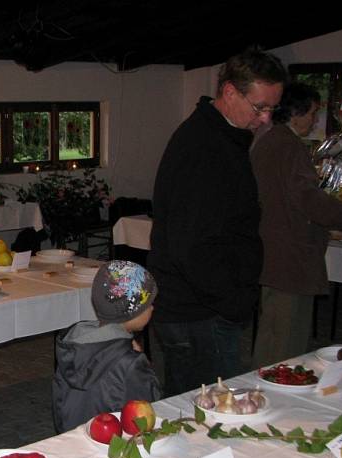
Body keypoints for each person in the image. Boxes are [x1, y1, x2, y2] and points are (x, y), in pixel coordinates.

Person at [148, 47, 287, 397]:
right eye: (260, 107)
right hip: (199, 313)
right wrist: (232, 300)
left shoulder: (222, 137)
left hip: (201, 308)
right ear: (229, 92)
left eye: (273, 108)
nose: (266, 118)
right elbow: (190, 246)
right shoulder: (203, 148)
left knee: (194, 410)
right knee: (209, 417)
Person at [251, 83, 342, 368]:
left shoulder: (270, 141)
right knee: (285, 342)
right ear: (295, 111)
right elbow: (308, 200)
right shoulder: (287, 145)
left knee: (273, 335)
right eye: (313, 113)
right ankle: (275, 397)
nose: (315, 120)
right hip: (290, 257)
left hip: (276, 252)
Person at [53, 260, 161, 432]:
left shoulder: (74, 344)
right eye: (148, 305)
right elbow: (149, 405)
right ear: (132, 312)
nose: (153, 308)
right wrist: (142, 361)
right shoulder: (130, 361)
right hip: (113, 442)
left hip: (73, 435)